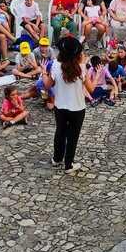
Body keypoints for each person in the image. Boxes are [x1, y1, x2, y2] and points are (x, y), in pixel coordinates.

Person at [43, 37, 94, 174]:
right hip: (77, 108)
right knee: (73, 136)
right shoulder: (81, 68)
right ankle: (69, 164)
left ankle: (57, 158)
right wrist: (96, 73)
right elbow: (91, 90)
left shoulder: (55, 65)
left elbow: (47, 85)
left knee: (60, 132)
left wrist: (43, 73)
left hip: (60, 107)